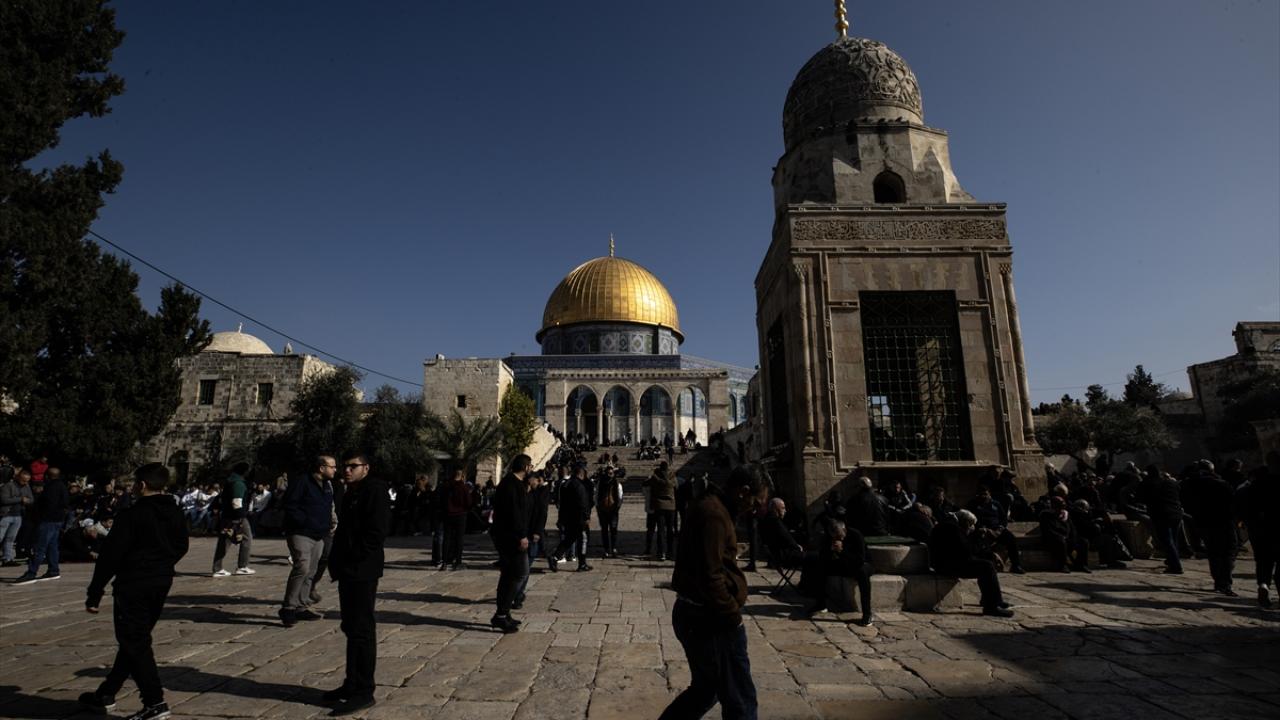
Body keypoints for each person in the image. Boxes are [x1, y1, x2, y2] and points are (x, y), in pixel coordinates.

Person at [79, 463, 189, 720]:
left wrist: (95, 592)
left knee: (134, 641)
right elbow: (182, 545)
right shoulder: (175, 513)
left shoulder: (132, 515)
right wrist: (162, 564)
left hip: (134, 583)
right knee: (135, 639)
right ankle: (106, 693)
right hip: (161, 581)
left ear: (141, 485)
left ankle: (154, 702)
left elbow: (110, 556)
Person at [660, 464, 767, 720]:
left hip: (696, 613)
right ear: (743, 491)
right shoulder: (714, 514)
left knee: (706, 690)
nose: (755, 508)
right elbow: (711, 575)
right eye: (756, 501)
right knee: (740, 698)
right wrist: (732, 615)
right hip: (711, 619)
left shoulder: (714, 508)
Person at [324, 454, 389, 716]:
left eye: (353, 466)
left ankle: (364, 690)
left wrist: (354, 557)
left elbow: (376, 532)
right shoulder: (351, 491)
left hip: (362, 569)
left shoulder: (375, 491)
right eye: (345, 466)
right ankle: (351, 683)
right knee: (350, 627)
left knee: (362, 629)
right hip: (348, 570)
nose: (347, 470)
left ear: (366, 468)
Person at [279, 456, 337, 627]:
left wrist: (330, 523)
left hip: (319, 534)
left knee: (311, 570)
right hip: (301, 532)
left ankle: (301, 605)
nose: (335, 470)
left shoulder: (327, 485)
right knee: (302, 567)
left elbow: (328, 506)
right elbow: (290, 505)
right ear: (321, 468)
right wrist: (305, 522)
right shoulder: (302, 482)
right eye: (332, 466)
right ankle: (288, 607)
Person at [927, 510, 1014, 617]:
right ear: (966, 523)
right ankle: (991, 607)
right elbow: (966, 551)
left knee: (986, 563)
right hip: (946, 565)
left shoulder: (951, 525)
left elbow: (966, 550)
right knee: (987, 567)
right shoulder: (951, 527)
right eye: (971, 525)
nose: (972, 528)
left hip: (948, 562)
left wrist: (990, 554)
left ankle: (993, 600)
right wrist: (977, 538)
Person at [490, 454, 533, 633]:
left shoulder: (515, 483)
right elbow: (514, 513)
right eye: (530, 466)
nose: (531, 469)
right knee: (517, 574)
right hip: (510, 538)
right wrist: (521, 536)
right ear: (525, 467)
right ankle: (501, 614)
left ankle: (503, 612)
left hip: (509, 536)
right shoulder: (510, 485)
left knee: (510, 574)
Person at [1181, 460, 1237, 595]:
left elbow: (1186, 502)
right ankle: (1225, 583)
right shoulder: (1221, 483)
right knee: (1228, 552)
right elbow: (1233, 503)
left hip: (1203, 522)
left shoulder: (1190, 485)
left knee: (1213, 552)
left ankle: (1219, 581)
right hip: (1224, 521)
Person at [804, 519, 874, 626]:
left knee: (862, 573)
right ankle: (821, 603)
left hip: (861, 564)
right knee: (818, 565)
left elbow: (859, 560)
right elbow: (823, 556)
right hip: (844, 564)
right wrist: (830, 550)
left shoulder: (856, 535)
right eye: (835, 536)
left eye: (840, 535)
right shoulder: (829, 537)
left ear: (844, 530)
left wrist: (842, 551)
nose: (839, 538)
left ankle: (867, 613)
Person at [1236, 452, 1280, 608]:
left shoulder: (1254, 485)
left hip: (1259, 530)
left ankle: (1263, 585)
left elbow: (1243, 508)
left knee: (1263, 561)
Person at [15, 464, 69, 584]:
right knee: (52, 546)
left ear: (48, 476)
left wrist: (38, 512)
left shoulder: (50, 488)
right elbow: (65, 504)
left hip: (48, 520)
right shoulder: (62, 486)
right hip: (58, 520)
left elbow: (47, 504)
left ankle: (31, 572)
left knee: (39, 547)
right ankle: (53, 570)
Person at [966, 487, 1026, 574]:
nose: (983, 496)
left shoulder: (996, 504)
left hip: (996, 529)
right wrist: (983, 529)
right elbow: (969, 519)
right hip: (981, 530)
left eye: (985, 494)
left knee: (1011, 539)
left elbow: (1003, 519)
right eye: (981, 494)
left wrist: (999, 530)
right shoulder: (972, 504)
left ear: (989, 494)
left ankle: (1016, 565)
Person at [1138, 465, 1184, 574]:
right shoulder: (1171, 482)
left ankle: (1176, 566)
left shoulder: (1149, 483)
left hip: (1161, 514)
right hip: (1176, 513)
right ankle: (1172, 560)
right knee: (1174, 540)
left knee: (1167, 540)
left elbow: (1142, 498)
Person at [211, 462, 254, 577]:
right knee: (245, 538)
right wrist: (239, 517)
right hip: (236, 516)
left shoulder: (231, 480)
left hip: (228, 515)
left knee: (225, 540)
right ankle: (241, 566)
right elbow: (236, 502)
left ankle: (218, 567)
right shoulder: (238, 483)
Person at [549, 465, 592, 572]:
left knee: (569, 538)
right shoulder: (579, 485)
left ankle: (555, 557)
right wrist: (586, 517)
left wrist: (561, 518)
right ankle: (582, 563)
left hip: (568, 518)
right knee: (583, 539)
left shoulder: (566, 484)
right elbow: (583, 503)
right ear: (581, 473)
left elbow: (562, 503)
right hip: (579, 518)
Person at [0, 467, 34, 566]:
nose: (25, 482)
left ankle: (7, 558)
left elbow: (31, 499)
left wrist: (26, 500)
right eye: (23, 480)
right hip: (6, 515)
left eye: (27, 480)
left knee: (11, 538)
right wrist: (20, 499)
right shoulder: (7, 486)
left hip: (18, 515)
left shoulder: (26, 486)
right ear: (18, 477)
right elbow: (4, 500)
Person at [440, 468, 471, 570]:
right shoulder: (464, 487)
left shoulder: (446, 486)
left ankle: (444, 562)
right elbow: (468, 502)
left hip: (448, 514)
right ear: (462, 476)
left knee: (447, 538)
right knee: (459, 539)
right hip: (460, 515)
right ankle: (458, 562)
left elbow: (442, 500)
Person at [646, 462, 677, 561]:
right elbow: (676, 487)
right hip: (671, 506)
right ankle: (670, 552)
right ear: (668, 468)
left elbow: (646, 484)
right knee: (670, 530)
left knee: (661, 530)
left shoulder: (655, 477)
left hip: (659, 506)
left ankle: (661, 552)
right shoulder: (672, 476)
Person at [595, 467, 622, 558]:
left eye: (611, 473)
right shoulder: (601, 483)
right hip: (604, 509)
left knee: (612, 530)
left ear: (613, 474)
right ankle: (607, 549)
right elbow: (596, 494)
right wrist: (597, 506)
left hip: (612, 509)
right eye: (608, 473)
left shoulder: (616, 483)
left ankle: (613, 548)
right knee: (605, 530)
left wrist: (617, 507)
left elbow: (620, 496)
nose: (609, 475)